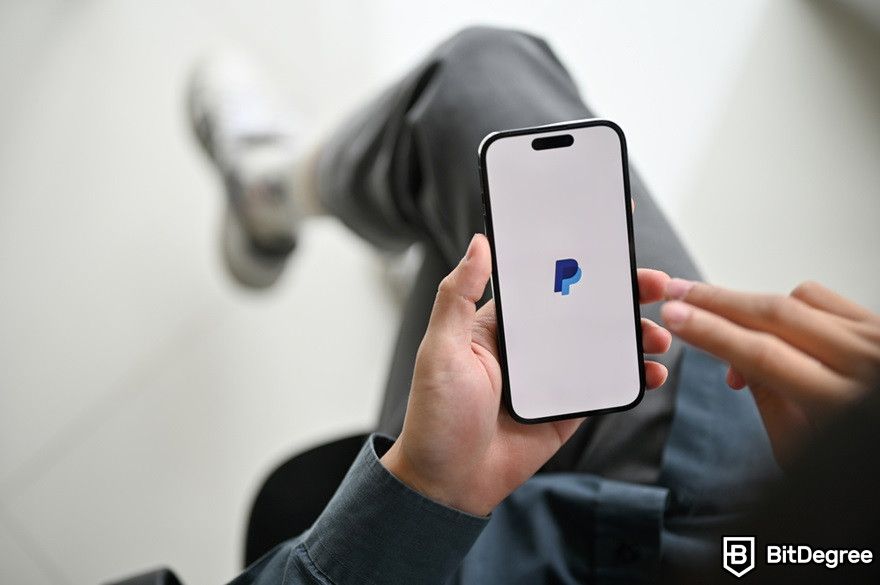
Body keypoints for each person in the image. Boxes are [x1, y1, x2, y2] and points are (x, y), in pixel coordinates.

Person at [185, 27, 880, 584]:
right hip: (740, 491)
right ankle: (270, 196)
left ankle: (416, 251)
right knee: (474, 80)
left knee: (506, 256)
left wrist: (419, 494)